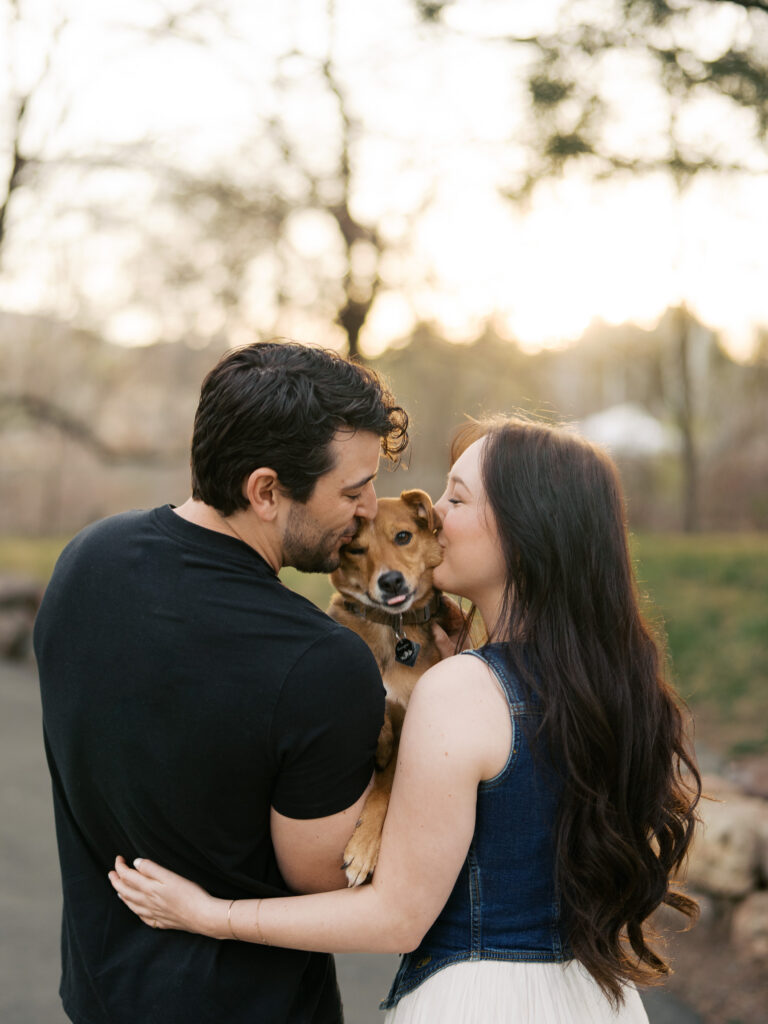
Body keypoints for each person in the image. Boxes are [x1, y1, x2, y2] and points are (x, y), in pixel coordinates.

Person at [109, 414, 702, 1023]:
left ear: (528, 529)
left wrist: (212, 915)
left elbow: (397, 915)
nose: (432, 514)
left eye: (457, 497)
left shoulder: (462, 690)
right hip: (599, 1002)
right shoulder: (614, 683)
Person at [34, 340, 410, 1024]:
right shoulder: (322, 665)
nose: (368, 511)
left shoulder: (85, 561)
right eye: (352, 491)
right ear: (266, 491)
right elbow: (327, 876)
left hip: (98, 997)